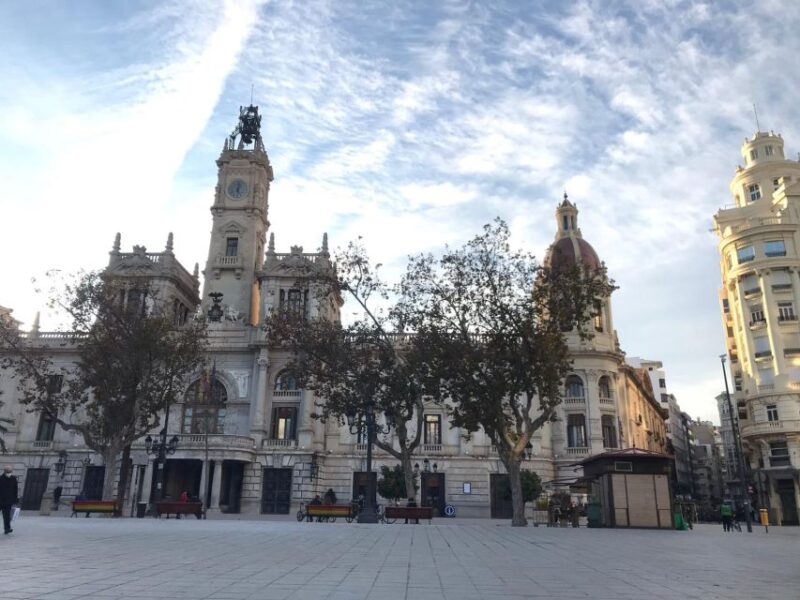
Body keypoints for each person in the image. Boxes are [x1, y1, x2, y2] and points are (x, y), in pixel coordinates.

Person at [0, 465, 19, 535]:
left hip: (8, 501)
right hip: (0, 500)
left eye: (10, 471)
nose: (9, 473)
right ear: (5, 471)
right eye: (8, 472)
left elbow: (15, 490)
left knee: (7, 516)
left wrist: (15, 499)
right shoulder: (0, 478)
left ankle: (7, 529)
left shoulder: (13, 479)